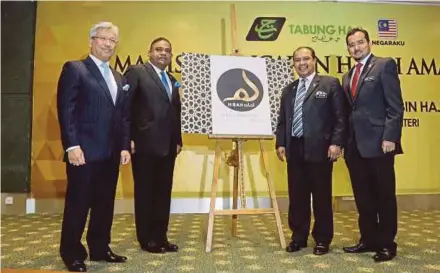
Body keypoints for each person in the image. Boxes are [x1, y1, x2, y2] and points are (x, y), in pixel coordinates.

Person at [57, 22, 130, 272]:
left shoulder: (118, 76)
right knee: (78, 204)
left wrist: (123, 147)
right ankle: (72, 253)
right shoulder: (75, 69)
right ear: (91, 40)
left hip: (110, 154)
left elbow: (121, 116)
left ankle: (100, 248)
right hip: (83, 153)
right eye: (103, 38)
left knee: (104, 204)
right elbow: (66, 110)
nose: (108, 44)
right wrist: (71, 146)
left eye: (113, 40)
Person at [341, 28, 404, 262]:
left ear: (369, 43)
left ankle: (387, 244)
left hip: (380, 144)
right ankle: (368, 240)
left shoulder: (384, 65)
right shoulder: (347, 76)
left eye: (360, 42)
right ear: (347, 49)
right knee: (363, 196)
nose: (356, 47)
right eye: (351, 44)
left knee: (384, 195)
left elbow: (395, 106)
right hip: (354, 146)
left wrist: (391, 137)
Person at [275, 46, 346, 255]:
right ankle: (298, 237)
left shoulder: (330, 83)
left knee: (322, 196)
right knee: (297, 196)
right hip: (294, 148)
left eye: (306, 58)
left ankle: (323, 239)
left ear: (314, 60)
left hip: (321, 149)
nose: (301, 63)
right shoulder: (288, 90)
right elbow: (282, 121)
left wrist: (336, 143)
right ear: (293, 63)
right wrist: (281, 143)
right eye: (297, 60)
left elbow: (340, 117)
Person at [124, 37, 182, 254]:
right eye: (158, 49)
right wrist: (127, 138)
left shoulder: (172, 79)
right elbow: (125, 107)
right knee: (146, 193)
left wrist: (178, 140)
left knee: (163, 193)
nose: (163, 53)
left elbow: (175, 112)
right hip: (143, 145)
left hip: (168, 147)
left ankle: (161, 237)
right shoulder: (137, 72)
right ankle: (146, 239)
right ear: (149, 52)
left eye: (167, 50)